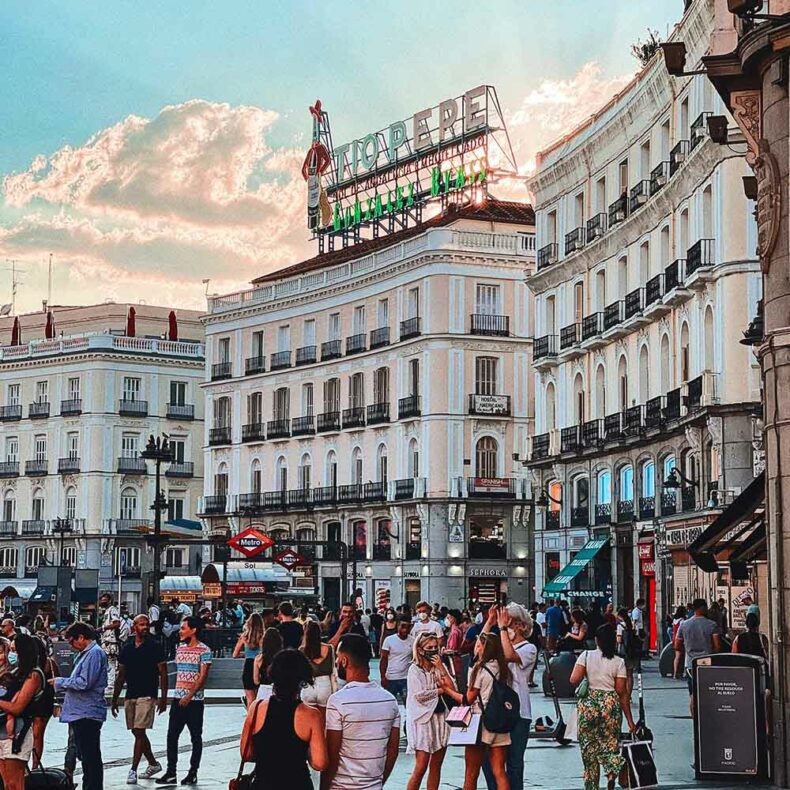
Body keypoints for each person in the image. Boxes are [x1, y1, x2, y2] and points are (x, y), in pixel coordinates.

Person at [242, 649, 328, 790]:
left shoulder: (256, 708)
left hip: (263, 783)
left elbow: (246, 754)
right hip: (297, 783)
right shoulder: (311, 715)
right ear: (302, 680)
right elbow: (320, 763)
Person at [323, 634, 400, 790]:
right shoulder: (390, 701)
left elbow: (333, 754)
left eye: (338, 658)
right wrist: (378, 782)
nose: (337, 663)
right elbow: (393, 751)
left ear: (344, 661)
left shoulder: (338, 701)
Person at [441, 630, 511, 790]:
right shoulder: (503, 668)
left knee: (471, 773)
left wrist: (447, 690)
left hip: (480, 722)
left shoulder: (480, 669)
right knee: (499, 771)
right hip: (500, 721)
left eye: (478, 646)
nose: (476, 648)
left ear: (483, 648)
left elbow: (467, 699)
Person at [570, 624, 636, 790]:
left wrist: (587, 674)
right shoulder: (619, 662)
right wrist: (630, 721)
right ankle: (615, 769)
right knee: (610, 745)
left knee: (589, 749)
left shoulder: (586, 656)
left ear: (596, 640)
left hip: (589, 706)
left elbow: (573, 679)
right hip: (610, 706)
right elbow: (622, 692)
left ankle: (591, 785)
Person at [112, 614, 168, 784]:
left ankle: (133, 769)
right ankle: (152, 763)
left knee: (140, 731)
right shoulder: (127, 648)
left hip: (148, 693)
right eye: (141, 624)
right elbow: (121, 675)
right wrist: (115, 699)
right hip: (131, 694)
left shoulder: (155, 647)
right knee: (137, 731)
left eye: (147, 624)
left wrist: (163, 697)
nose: (144, 627)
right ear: (134, 627)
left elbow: (163, 673)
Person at [156, 617, 212, 786]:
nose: (180, 631)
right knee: (172, 735)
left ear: (193, 630)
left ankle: (192, 771)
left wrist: (190, 695)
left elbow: (203, 677)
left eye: (183, 628)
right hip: (178, 697)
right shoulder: (180, 649)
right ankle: (171, 771)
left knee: (196, 736)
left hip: (194, 701)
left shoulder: (204, 650)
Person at [52, 622, 108, 790]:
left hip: (87, 712)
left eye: (72, 641)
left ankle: (93, 786)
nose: (71, 645)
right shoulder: (85, 654)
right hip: (79, 711)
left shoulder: (94, 654)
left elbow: (84, 682)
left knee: (90, 755)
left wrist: (60, 682)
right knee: (85, 755)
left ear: (82, 637)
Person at [491, 604, 537, 790]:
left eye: (509, 622)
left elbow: (510, 655)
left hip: (519, 712)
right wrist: (490, 621)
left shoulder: (529, 648)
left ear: (520, 625)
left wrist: (502, 629)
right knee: (492, 761)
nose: (505, 626)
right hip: (497, 709)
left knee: (514, 762)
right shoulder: (500, 642)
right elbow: (481, 647)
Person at [405, 633, 452, 790]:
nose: (433, 651)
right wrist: (440, 690)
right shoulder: (414, 670)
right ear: (420, 650)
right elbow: (419, 696)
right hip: (422, 719)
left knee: (436, 765)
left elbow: (453, 689)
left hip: (440, 718)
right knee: (421, 766)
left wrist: (441, 667)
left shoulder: (438, 667)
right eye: (429, 648)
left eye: (435, 647)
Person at [0, 634, 45, 790]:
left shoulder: (34, 675)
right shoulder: (16, 671)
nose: (11, 653)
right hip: (3, 731)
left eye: (14, 650)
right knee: (7, 783)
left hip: (18, 733)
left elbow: (18, 707)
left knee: (15, 783)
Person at [674, 598, 721, 715]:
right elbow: (717, 646)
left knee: (693, 694)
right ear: (702, 608)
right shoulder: (711, 625)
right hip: (707, 662)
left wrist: (688, 648)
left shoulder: (684, 625)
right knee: (708, 692)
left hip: (690, 663)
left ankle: (694, 719)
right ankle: (706, 718)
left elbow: (676, 645)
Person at [299, 620, 335, 713]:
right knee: (323, 719)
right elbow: (333, 670)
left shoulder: (302, 650)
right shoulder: (329, 648)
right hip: (325, 685)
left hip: (308, 686)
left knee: (309, 718)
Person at [380, 615, 413, 704]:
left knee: (408, 703)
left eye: (408, 627)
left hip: (406, 678)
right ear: (397, 625)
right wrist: (383, 677)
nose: (405, 630)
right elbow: (383, 659)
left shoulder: (413, 641)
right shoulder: (389, 640)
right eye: (402, 626)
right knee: (389, 704)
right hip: (391, 678)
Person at [233, 613, 264, 707]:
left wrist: (245, 654)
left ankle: (251, 718)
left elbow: (235, 654)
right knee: (260, 698)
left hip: (249, 665)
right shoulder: (263, 636)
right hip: (260, 664)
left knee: (250, 698)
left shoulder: (244, 637)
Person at [254, 627, 283, 701]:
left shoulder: (258, 659)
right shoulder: (282, 658)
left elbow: (256, 681)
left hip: (263, 690)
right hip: (279, 690)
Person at [98, 592, 121, 687]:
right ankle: (109, 682)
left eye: (104, 600)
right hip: (106, 640)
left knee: (111, 662)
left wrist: (103, 628)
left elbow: (117, 623)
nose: (102, 602)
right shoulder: (107, 611)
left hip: (111, 640)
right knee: (108, 662)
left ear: (109, 600)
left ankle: (111, 683)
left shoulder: (112, 610)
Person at [615, 608, 638, 697]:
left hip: (623, 651)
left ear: (620, 616)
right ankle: (629, 695)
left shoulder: (620, 626)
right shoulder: (632, 624)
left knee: (622, 674)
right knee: (630, 675)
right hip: (632, 651)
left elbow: (619, 640)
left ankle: (623, 694)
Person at [671, 605, 688, 679]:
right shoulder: (682, 620)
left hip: (674, 638)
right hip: (681, 639)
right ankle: (684, 672)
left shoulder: (675, 620)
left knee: (676, 657)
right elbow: (683, 630)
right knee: (685, 656)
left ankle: (675, 673)